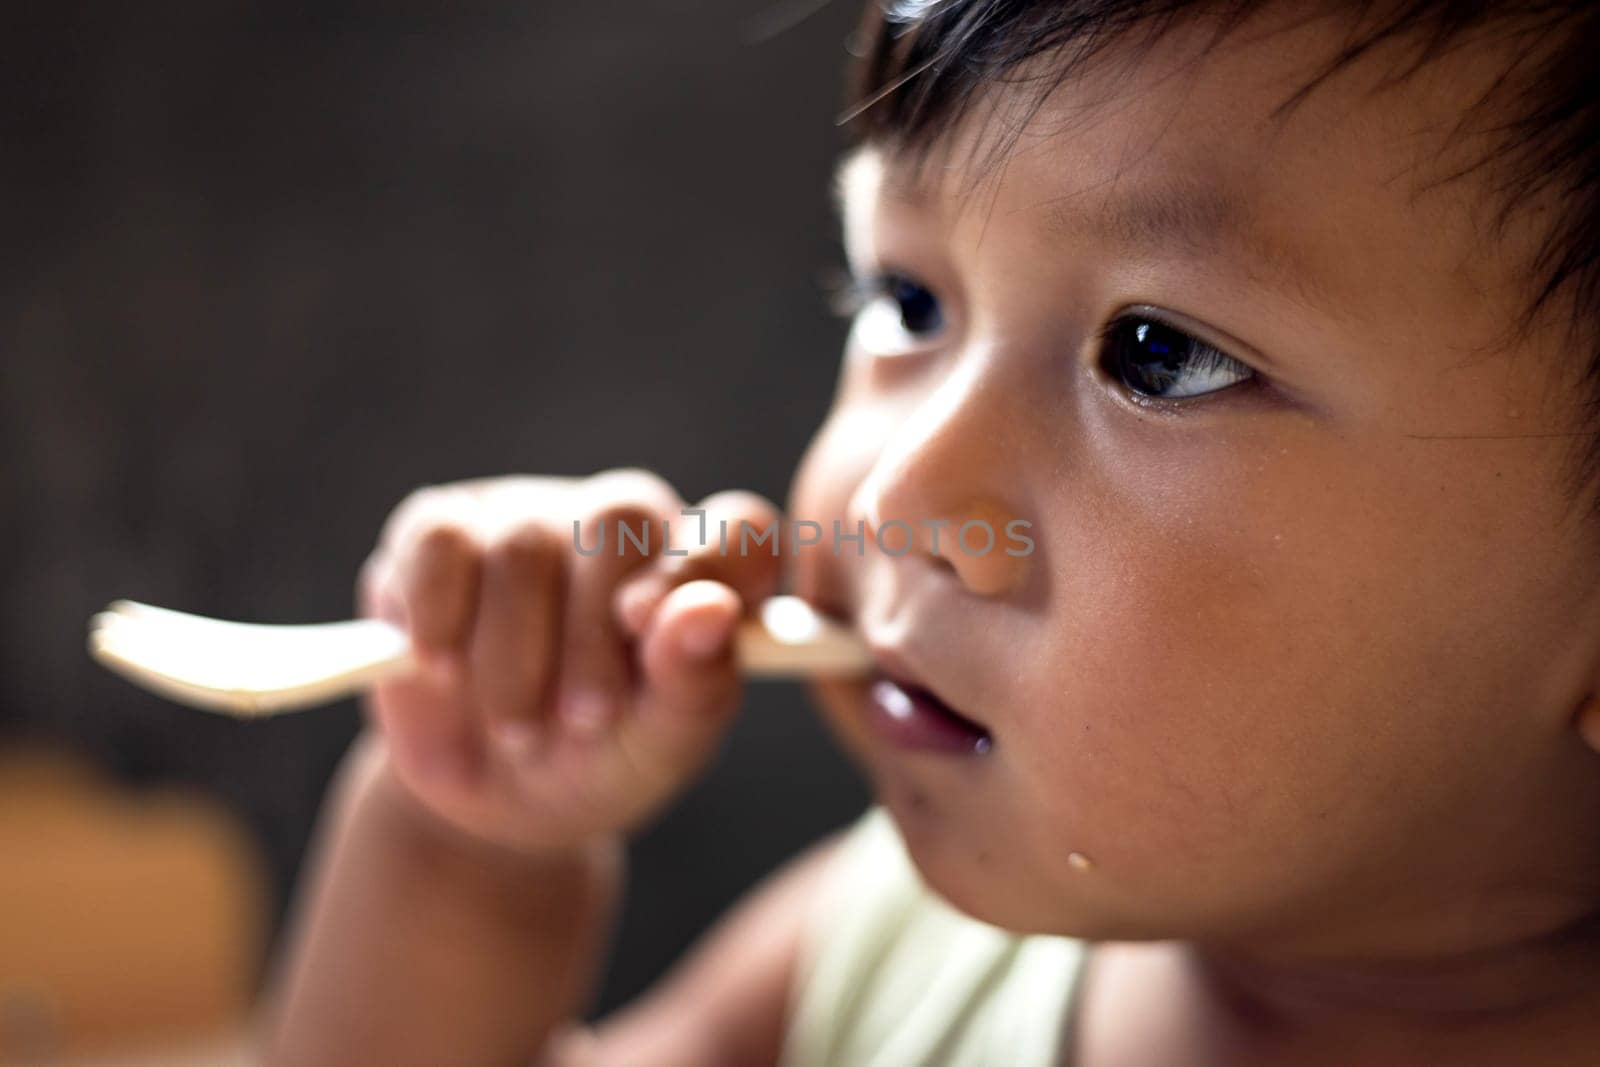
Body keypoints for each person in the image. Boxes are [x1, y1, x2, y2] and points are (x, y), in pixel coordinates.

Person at [262, 2, 1600, 1063]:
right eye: (908, 298)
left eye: (1160, 356)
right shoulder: (888, 963)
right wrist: (477, 829)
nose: (896, 495)